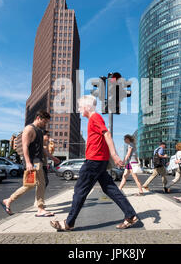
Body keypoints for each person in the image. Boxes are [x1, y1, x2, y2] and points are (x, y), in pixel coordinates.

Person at [50, 96, 139, 231]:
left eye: (80, 107)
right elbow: (103, 138)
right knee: (110, 188)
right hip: (99, 161)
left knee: (79, 191)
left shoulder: (94, 117)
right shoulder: (94, 119)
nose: (79, 109)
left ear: (86, 107)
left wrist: (114, 155)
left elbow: (107, 134)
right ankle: (130, 215)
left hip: (94, 161)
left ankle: (68, 223)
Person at [0, 111, 61, 217]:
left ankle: (8, 200)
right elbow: (25, 146)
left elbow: (41, 148)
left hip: (38, 160)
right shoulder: (29, 129)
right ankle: (40, 209)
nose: (45, 124)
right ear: (38, 118)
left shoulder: (39, 131)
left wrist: (52, 157)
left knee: (29, 185)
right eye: (44, 121)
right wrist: (28, 162)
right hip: (33, 162)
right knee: (40, 184)